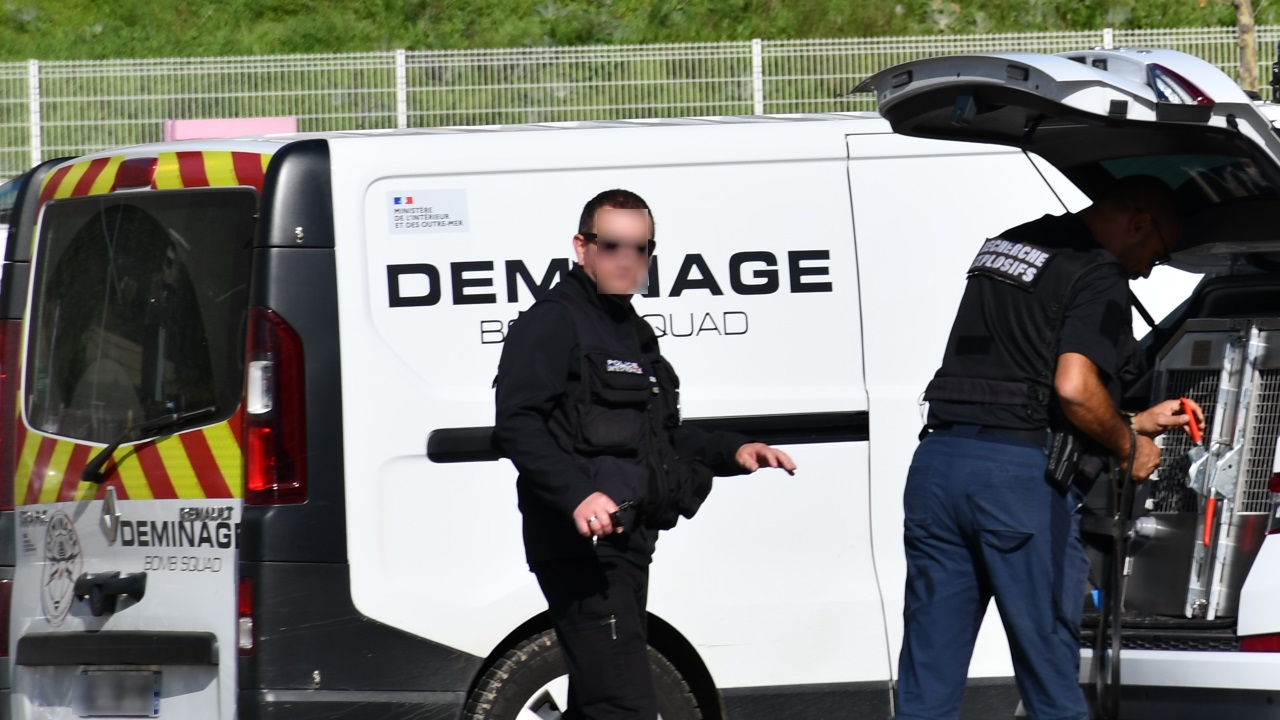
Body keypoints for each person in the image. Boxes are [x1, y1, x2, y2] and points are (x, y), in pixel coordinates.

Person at [895, 176, 1206, 720]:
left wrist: (1133, 418)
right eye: (1157, 254)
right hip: (1014, 485)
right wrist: (1129, 446)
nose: (1149, 269)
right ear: (1138, 224)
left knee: (928, 675)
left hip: (939, 468)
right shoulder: (1098, 271)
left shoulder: (1009, 244)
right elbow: (1072, 387)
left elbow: (1021, 375)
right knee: (1049, 673)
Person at [493, 189, 796, 720]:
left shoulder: (631, 330)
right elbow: (518, 425)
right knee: (624, 704)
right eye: (611, 245)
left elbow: (659, 439)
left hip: (630, 542)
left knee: (599, 703)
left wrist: (735, 449)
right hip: (580, 549)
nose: (626, 259)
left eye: (639, 247)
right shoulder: (553, 322)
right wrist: (577, 495)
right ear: (581, 247)